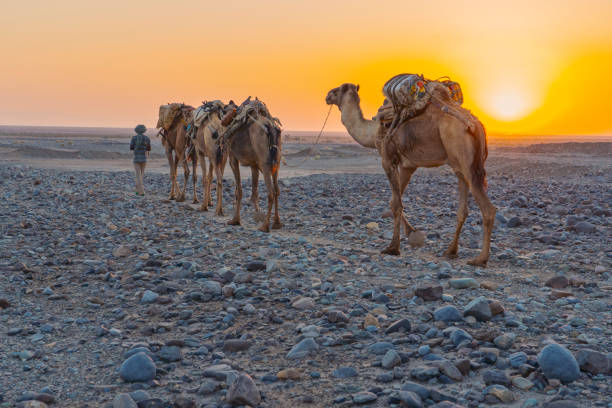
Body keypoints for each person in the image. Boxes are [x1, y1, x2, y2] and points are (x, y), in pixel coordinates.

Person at [130, 124, 151, 195]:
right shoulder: (147, 138)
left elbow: (131, 148)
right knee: (141, 175)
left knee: (138, 175)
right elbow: (149, 149)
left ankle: (140, 191)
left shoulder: (133, 138)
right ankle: (138, 190)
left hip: (136, 158)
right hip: (144, 159)